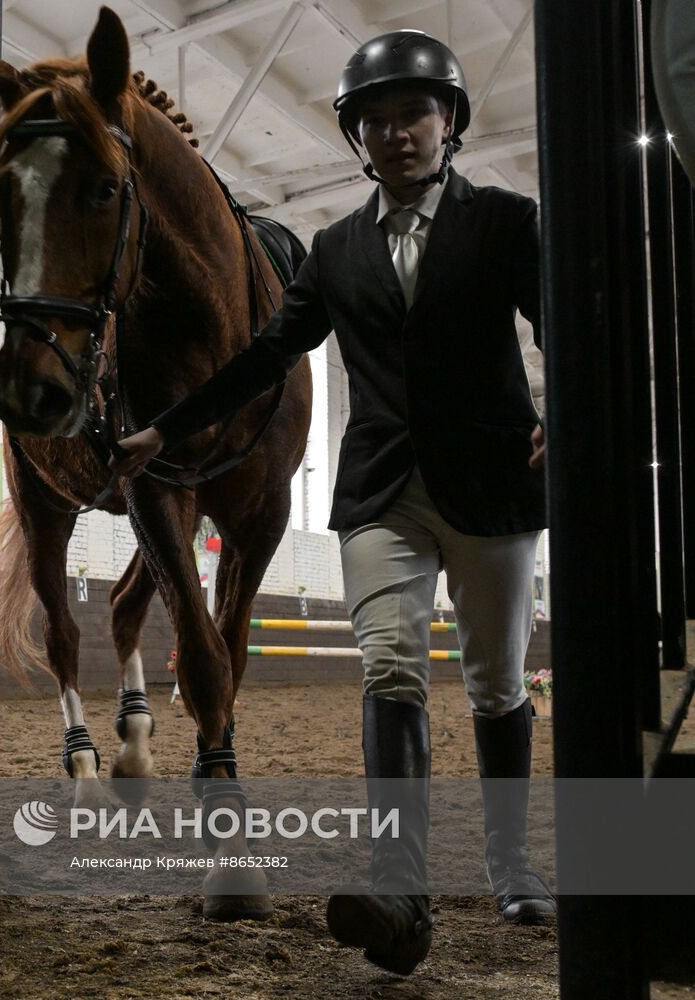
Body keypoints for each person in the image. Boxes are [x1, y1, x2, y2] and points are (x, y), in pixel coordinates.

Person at [112, 30, 555, 976]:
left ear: (449, 124)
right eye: (376, 120)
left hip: (490, 484)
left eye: (414, 115)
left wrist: (567, 411)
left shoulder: (508, 222)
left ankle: (511, 860)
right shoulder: (332, 247)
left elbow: (555, 317)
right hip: (380, 491)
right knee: (389, 665)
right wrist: (167, 428)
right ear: (358, 137)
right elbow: (266, 353)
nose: (397, 134)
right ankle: (398, 884)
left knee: (495, 682)